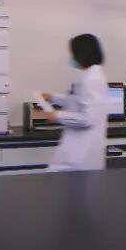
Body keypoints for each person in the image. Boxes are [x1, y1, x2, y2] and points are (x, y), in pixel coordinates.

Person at [43, 34, 110, 171]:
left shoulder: (92, 79)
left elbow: (87, 118)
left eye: (73, 53)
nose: (72, 58)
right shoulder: (89, 75)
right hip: (78, 152)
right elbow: (77, 101)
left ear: (81, 53)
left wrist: (57, 116)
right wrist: (53, 98)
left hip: (81, 155)